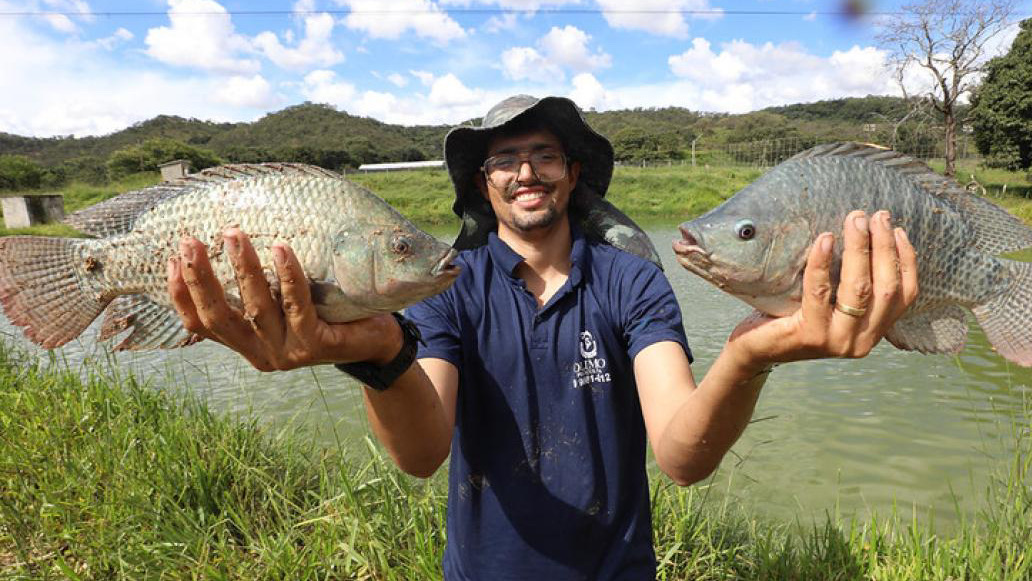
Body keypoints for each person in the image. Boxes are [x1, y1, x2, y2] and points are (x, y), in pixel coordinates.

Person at [167, 95, 918, 580]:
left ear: (573, 173)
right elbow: (422, 453)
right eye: (504, 159)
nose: (526, 171)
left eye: (545, 155)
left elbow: (682, 455)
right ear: (482, 182)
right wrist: (379, 355)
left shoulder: (632, 282)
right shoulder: (445, 289)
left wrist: (750, 355)